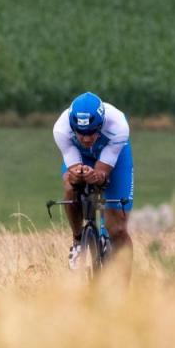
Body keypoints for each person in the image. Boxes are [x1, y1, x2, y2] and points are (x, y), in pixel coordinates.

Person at [52, 92, 134, 273]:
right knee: (71, 186)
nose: (87, 138)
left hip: (114, 157)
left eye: (92, 132)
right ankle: (78, 240)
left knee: (118, 230)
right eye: (81, 133)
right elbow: (72, 170)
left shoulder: (118, 124)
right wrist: (77, 175)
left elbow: (103, 174)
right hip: (81, 157)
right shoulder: (60, 129)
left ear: (102, 124)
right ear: (73, 127)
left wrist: (97, 176)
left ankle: (125, 294)